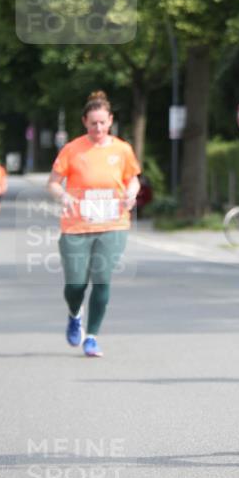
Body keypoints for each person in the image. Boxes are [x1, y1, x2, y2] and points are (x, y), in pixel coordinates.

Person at [47, 91, 140, 357]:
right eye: (93, 123)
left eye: (102, 122)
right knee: (75, 286)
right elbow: (53, 183)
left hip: (113, 224)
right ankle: (74, 313)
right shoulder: (72, 149)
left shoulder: (122, 149)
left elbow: (133, 179)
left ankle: (92, 337)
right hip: (76, 226)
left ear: (110, 120)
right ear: (84, 122)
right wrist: (63, 195)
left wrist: (131, 193)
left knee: (102, 280)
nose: (98, 128)